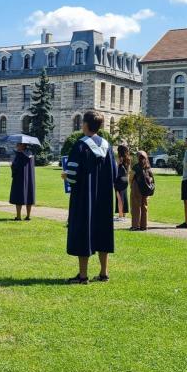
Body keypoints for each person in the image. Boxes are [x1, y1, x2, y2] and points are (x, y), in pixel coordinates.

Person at [63, 111, 116, 283]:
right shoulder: (107, 147)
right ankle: (103, 273)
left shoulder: (80, 146)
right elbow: (114, 173)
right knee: (103, 232)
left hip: (84, 198)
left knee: (83, 231)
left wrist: (66, 177)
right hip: (104, 199)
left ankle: (83, 275)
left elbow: (72, 174)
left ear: (85, 124)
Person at [9, 143, 36, 221]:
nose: (16, 146)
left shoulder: (19, 155)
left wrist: (11, 166)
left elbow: (16, 167)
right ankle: (28, 216)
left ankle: (18, 216)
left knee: (18, 196)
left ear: (22, 146)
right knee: (29, 196)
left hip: (19, 178)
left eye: (18, 145)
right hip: (30, 178)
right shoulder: (31, 155)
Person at [129, 150, 154, 231]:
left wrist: (130, 185)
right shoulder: (148, 167)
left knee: (136, 207)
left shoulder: (136, 167)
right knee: (144, 207)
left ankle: (135, 226)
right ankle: (144, 226)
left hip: (137, 187)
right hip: (146, 189)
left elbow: (131, 177)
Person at [114, 144, 130, 221]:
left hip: (119, 179)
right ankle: (124, 214)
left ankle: (120, 215)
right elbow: (128, 172)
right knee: (124, 197)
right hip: (125, 179)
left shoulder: (119, 158)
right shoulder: (128, 159)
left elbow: (116, 168)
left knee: (119, 197)